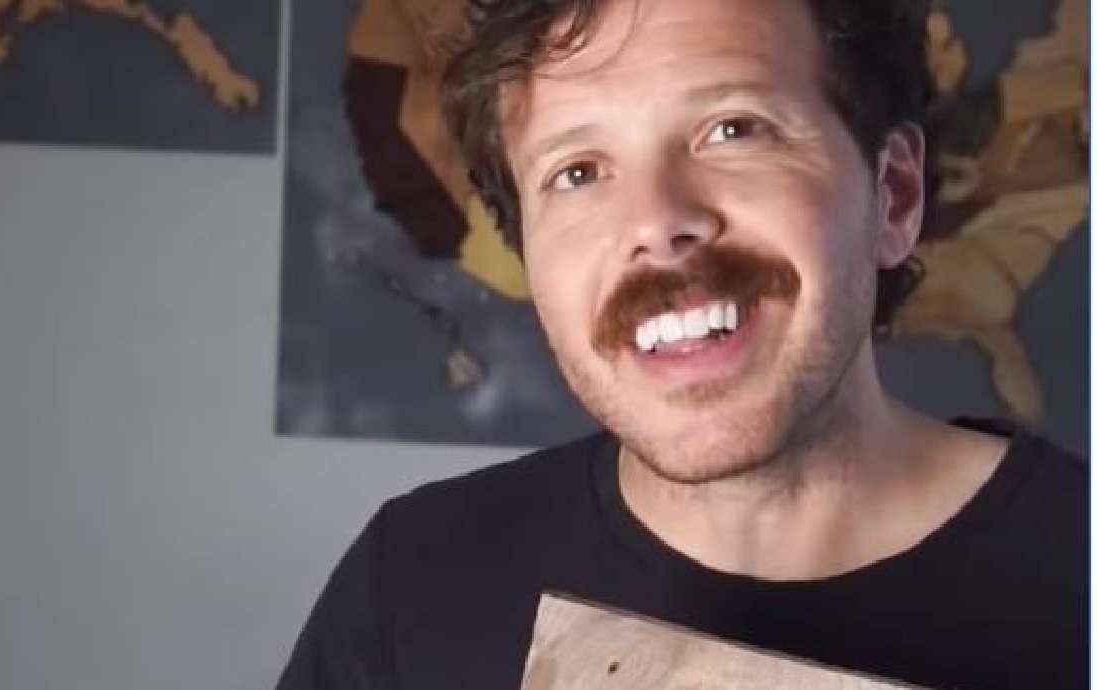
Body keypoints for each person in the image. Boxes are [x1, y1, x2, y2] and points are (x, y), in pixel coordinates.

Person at [277, 0, 1087, 687]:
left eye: (732, 129)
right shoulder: (412, 586)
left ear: (894, 196)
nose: (658, 225)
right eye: (578, 172)